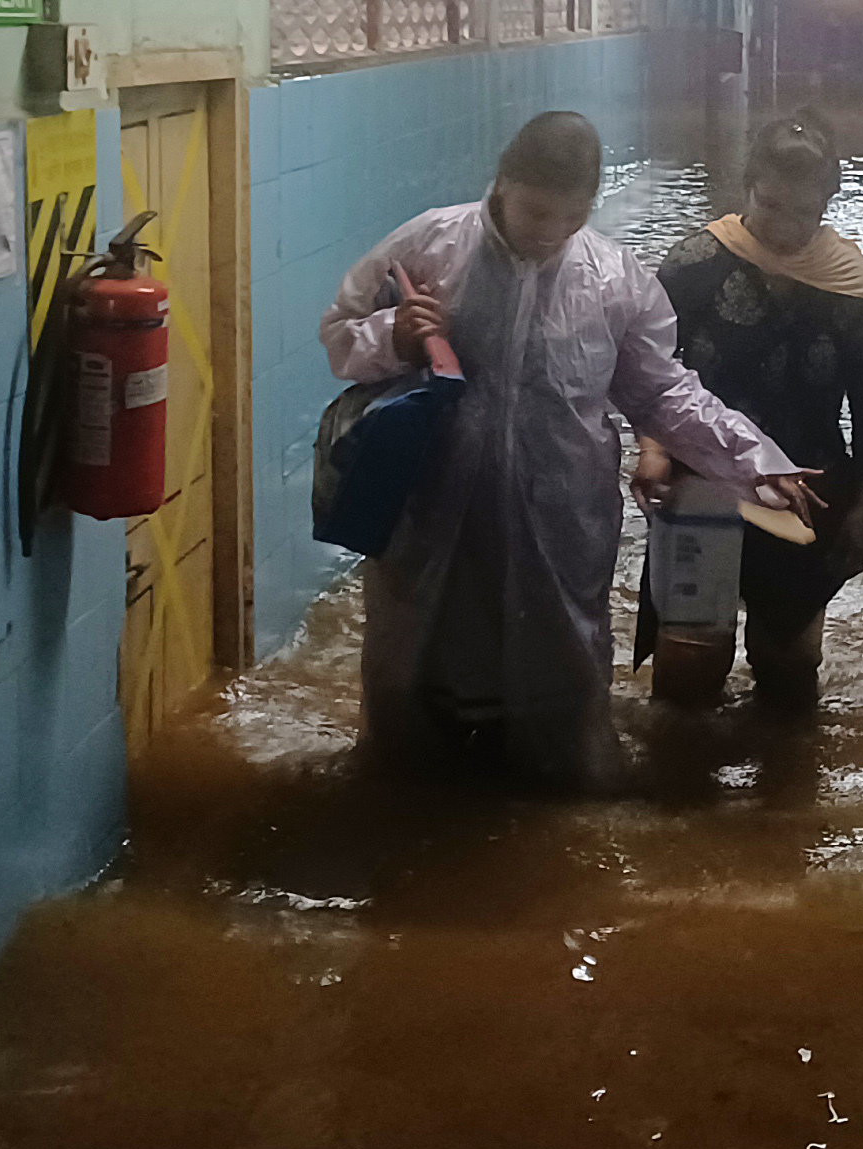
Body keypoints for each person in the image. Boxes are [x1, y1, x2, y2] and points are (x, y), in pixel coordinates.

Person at [321, 111, 817, 790]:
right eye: (535, 210)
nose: (550, 232)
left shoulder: (614, 280)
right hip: (431, 508)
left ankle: (559, 798)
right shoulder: (430, 245)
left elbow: (662, 393)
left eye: (571, 216)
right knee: (418, 656)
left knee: (559, 665)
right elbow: (340, 337)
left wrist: (754, 458)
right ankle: (409, 792)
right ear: (501, 183)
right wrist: (396, 338)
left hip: (557, 515)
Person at [635, 113, 863, 707]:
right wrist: (652, 452)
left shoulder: (855, 291)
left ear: (830, 201)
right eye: (770, 205)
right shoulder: (693, 268)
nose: (784, 228)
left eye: (805, 213)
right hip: (701, 483)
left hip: (807, 492)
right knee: (688, 668)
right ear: (747, 186)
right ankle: (682, 787)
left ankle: (785, 788)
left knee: (789, 669)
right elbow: (650, 371)